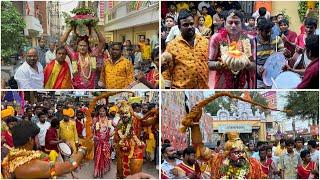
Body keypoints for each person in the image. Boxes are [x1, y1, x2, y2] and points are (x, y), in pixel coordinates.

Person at [1, 120, 87, 179]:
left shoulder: (10, 156)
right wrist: (82, 150)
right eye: (35, 138)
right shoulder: (31, 166)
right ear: (30, 140)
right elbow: (69, 166)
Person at [208, 9, 256, 89]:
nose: (233, 25)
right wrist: (219, 64)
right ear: (225, 23)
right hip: (222, 81)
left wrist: (246, 64)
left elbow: (254, 65)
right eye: (230, 22)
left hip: (243, 81)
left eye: (236, 23)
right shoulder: (216, 38)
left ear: (242, 23)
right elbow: (209, 64)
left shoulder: (249, 39)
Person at [162, 9, 209, 89]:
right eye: (185, 25)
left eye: (191, 24)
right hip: (180, 89)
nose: (190, 27)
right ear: (179, 27)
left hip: (203, 88)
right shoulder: (172, 45)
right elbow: (167, 72)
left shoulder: (205, 42)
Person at [114, 101, 145, 178]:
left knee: (135, 173)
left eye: (126, 113)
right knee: (121, 173)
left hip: (134, 148)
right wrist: (117, 143)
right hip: (121, 148)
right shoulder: (119, 122)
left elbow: (147, 122)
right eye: (122, 113)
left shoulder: (137, 120)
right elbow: (117, 135)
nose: (124, 115)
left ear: (130, 113)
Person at [256, 17, 284, 88]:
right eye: (266, 32)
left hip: (275, 75)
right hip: (259, 79)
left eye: (270, 31)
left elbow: (282, 55)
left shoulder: (277, 39)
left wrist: (285, 54)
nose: (269, 34)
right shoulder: (253, 42)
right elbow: (250, 61)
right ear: (259, 31)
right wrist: (258, 68)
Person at [92, 105, 113, 178]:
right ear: (98, 111)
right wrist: (95, 136)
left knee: (105, 155)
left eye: (103, 111)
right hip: (98, 140)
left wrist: (106, 137)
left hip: (106, 141)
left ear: (106, 112)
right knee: (98, 155)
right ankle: (97, 171)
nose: (101, 112)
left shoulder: (109, 120)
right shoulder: (95, 119)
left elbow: (109, 131)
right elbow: (93, 130)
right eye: (100, 111)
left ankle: (104, 170)